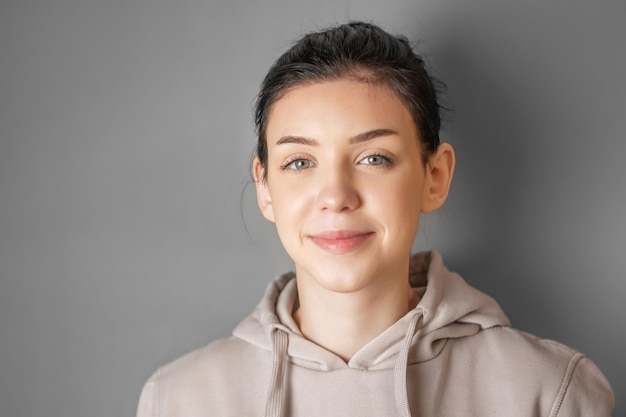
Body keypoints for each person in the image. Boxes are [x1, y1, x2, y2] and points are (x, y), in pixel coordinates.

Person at [136, 21, 614, 417]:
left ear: (435, 176)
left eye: (373, 158)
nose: (336, 197)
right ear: (265, 188)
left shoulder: (551, 393)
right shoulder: (177, 400)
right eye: (300, 162)